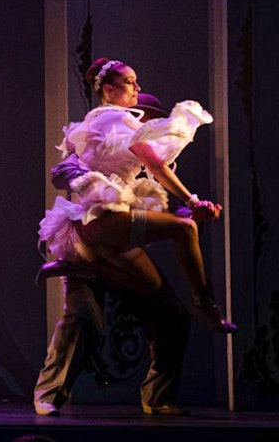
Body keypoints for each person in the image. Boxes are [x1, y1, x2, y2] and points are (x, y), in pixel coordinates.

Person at [37, 58, 235, 334]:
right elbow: (156, 165)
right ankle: (207, 307)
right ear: (108, 90)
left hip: (94, 222)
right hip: (103, 217)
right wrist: (192, 200)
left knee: (148, 284)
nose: (137, 88)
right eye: (130, 82)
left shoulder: (94, 122)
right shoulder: (116, 118)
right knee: (186, 229)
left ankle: (81, 269)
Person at [33, 94, 192, 417]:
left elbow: (153, 190)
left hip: (120, 250)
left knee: (172, 316)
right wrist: (91, 183)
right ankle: (48, 393)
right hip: (87, 243)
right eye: (143, 119)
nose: (145, 127)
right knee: (84, 319)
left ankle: (157, 396)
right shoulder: (99, 142)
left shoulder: (142, 156)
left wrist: (188, 207)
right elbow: (63, 168)